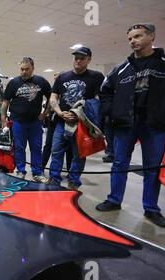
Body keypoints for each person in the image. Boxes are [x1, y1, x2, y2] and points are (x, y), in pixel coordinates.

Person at [97, 23, 165, 228]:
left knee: (152, 167)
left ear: (151, 36)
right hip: (126, 123)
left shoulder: (164, 63)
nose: (133, 41)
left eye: (137, 36)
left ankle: (151, 209)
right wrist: (111, 111)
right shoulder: (121, 68)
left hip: (155, 124)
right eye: (130, 38)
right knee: (119, 163)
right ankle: (114, 200)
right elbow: (105, 91)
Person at [48, 47, 105, 190]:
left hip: (82, 123)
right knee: (56, 151)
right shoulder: (62, 77)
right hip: (62, 121)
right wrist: (60, 112)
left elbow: (100, 99)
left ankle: (74, 180)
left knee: (79, 154)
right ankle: (54, 179)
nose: (78, 60)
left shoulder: (96, 76)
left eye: (82, 58)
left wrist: (88, 115)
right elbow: (54, 96)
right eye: (76, 58)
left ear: (89, 60)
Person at [1, 57, 51, 183]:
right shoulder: (13, 83)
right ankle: (21, 171)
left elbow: (52, 98)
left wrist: (45, 114)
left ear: (32, 68)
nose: (24, 72)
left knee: (36, 147)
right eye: (22, 69)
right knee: (19, 147)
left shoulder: (41, 81)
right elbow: (5, 102)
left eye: (27, 69)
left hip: (35, 122)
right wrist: (3, 120)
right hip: (17, 121)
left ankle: (37, 173)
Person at [42, 72, 73, 174]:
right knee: (49, 145)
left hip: (66, 121)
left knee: (69, 147)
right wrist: (45, 114)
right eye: (55, 79)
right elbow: (49, 104)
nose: (56, 80)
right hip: (53, 121)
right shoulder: (52, 92)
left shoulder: (68, 92)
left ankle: (69, 170)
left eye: (58, 78)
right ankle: (41, 167)